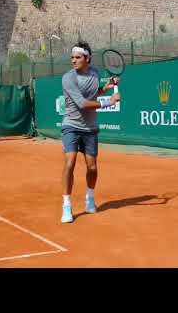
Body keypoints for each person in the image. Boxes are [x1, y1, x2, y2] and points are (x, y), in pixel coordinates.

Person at [60, 41, 120, 223]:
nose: (73, 60)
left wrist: (106, 88)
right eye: (72, 57)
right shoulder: (68, 78)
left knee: (92, 167)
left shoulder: (95, 74)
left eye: (77, 57)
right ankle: (67, 205)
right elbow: (82, 103)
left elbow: (93, 95)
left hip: (90, 128)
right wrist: (108, 102)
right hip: (71, 125)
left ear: (87, 58)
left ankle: (90, 197)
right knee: (70, 163)